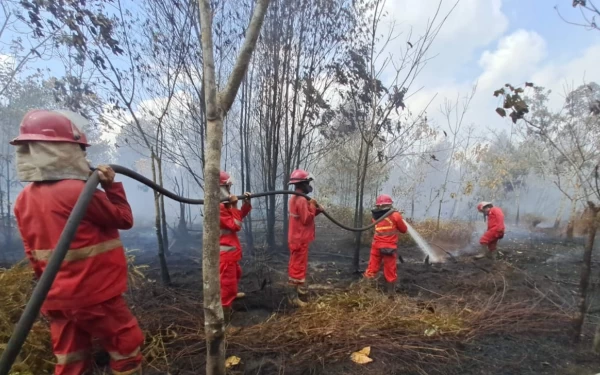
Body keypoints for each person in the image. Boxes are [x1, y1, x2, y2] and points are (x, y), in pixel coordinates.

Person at [11, 109, 143, 375]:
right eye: (81, 150)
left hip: (55, 298)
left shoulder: (24, 199)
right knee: (125, 343)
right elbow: (124, 219)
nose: (84, 157)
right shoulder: (78, 192)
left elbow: (32, 253)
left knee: (71, 359)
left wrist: (54, 289)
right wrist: (111, 186)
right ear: (64, 150)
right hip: (95, 294)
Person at [218, 171, 252, 324]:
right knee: (227, 286)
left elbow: (237, 216)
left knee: (237, 274)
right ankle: (224, 322)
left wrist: (246, 204)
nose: (230, 189)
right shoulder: (217, 207)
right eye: (228, 186)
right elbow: (235, 225)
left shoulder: (223, 204)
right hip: (225, 255)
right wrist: (235, 204)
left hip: (230, 253)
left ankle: (232, 294)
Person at [287, 169, 322, 307]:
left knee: (298, 265)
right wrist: (313, 205)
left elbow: (306, 215)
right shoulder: (301, 199)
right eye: (308, 182)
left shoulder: (296, 198)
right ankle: (292, 297)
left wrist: (317, 209)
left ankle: (298, 288)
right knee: (297, 267)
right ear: (302, 183)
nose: (309, 185)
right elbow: (307, 219)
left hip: (298, 238)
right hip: (299, 239)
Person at [363, 194, 407, 295]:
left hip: (376, 246)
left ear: (378, 206)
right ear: (389, 204)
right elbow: (404, 230)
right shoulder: (395, 215)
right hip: (389, 248)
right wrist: (399, 218)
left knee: (372, 268)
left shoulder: (375, 216)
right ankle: (390, 294)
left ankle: (364, 290)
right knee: (390, 270)